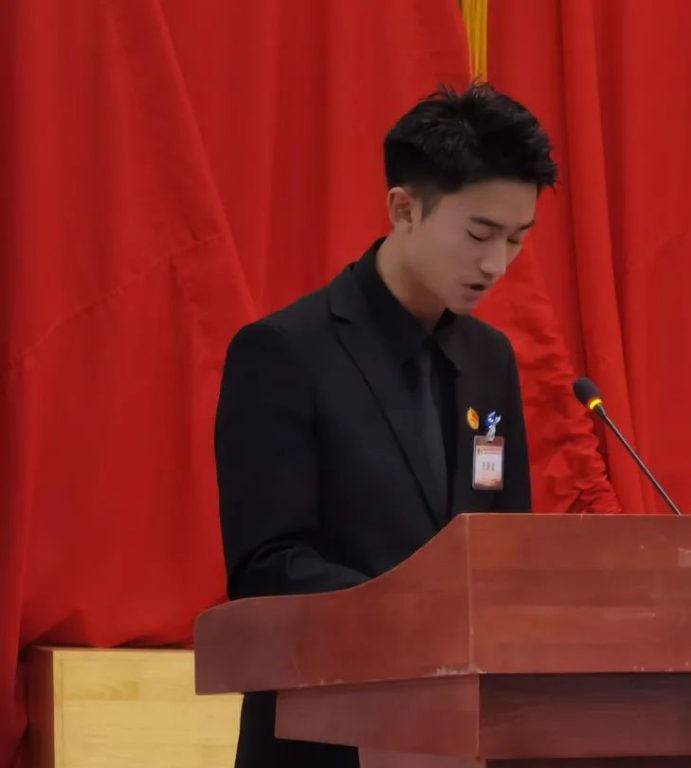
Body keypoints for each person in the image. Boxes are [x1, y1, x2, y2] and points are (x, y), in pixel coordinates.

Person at [214, 83, 557, 768]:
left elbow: (506, 547)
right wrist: (420, 611)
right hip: (323, 736)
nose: (497, 264)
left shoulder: (489, 359)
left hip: (461, 736)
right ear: (404, 209)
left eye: (517, 239)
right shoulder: (284, 352)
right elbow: (267, 566)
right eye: (479, 234)